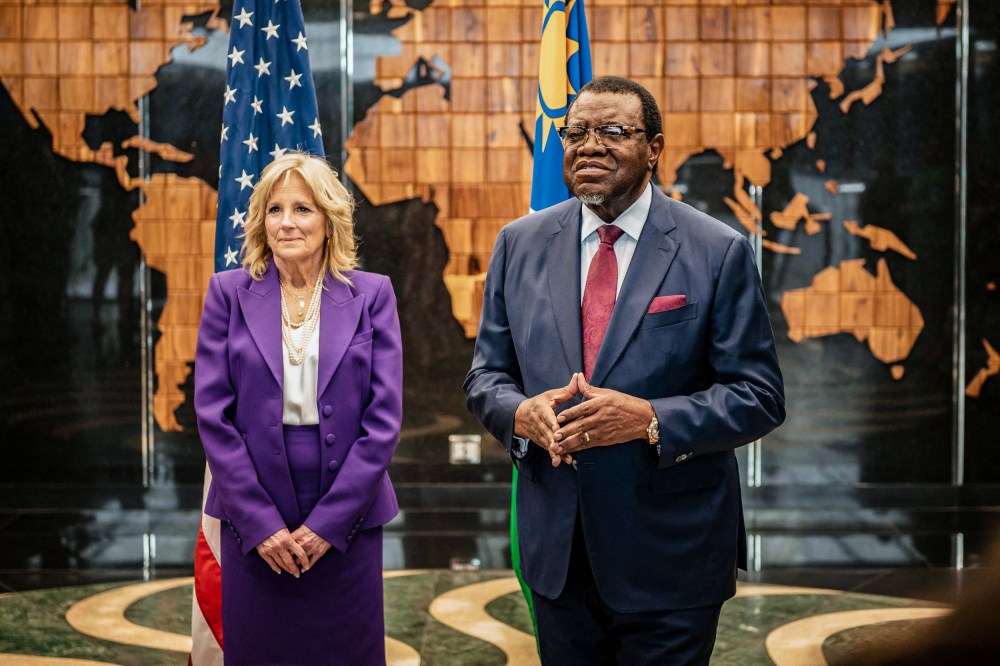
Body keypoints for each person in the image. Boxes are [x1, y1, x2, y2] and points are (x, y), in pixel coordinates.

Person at [464, 76, 785, 664]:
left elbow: (759, 395)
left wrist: (649, 419)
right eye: (577, 132)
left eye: (614, 132)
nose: (590, 146)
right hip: (557, 553)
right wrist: (521, 413)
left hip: (671, 554)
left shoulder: (717, 250)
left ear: (654, 148)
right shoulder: (519, 243)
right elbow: (487, 377)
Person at [194, 152, 402, 664]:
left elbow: (383, 421)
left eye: (303, 209)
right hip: (254, 512)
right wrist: (261, 524)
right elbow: (212, 416)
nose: (287, 222)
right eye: (275, 210)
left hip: (347, 515)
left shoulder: (372, 295)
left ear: (329, 221)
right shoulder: (228, 293)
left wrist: (329, 524)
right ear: (261, 222)